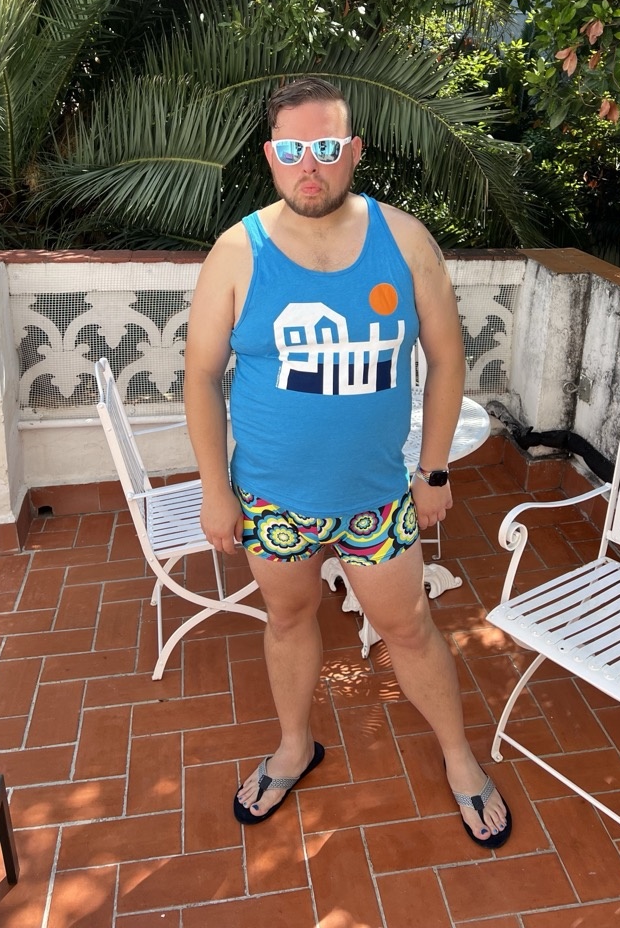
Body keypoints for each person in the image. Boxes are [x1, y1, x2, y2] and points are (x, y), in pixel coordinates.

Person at [184, 78, 511, 846]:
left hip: (376, 497)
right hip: (269, 499)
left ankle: (460, 758)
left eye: (327, 148)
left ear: (353, 151)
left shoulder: (404, 239)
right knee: (290, 619)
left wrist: (434, 473)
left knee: (410, 628)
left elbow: (447, 356)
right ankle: (296, 747)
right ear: (270, 157)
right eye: (294, 149)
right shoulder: (238, 251)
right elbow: (199, 377)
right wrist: (213, 489)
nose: (311, 166)